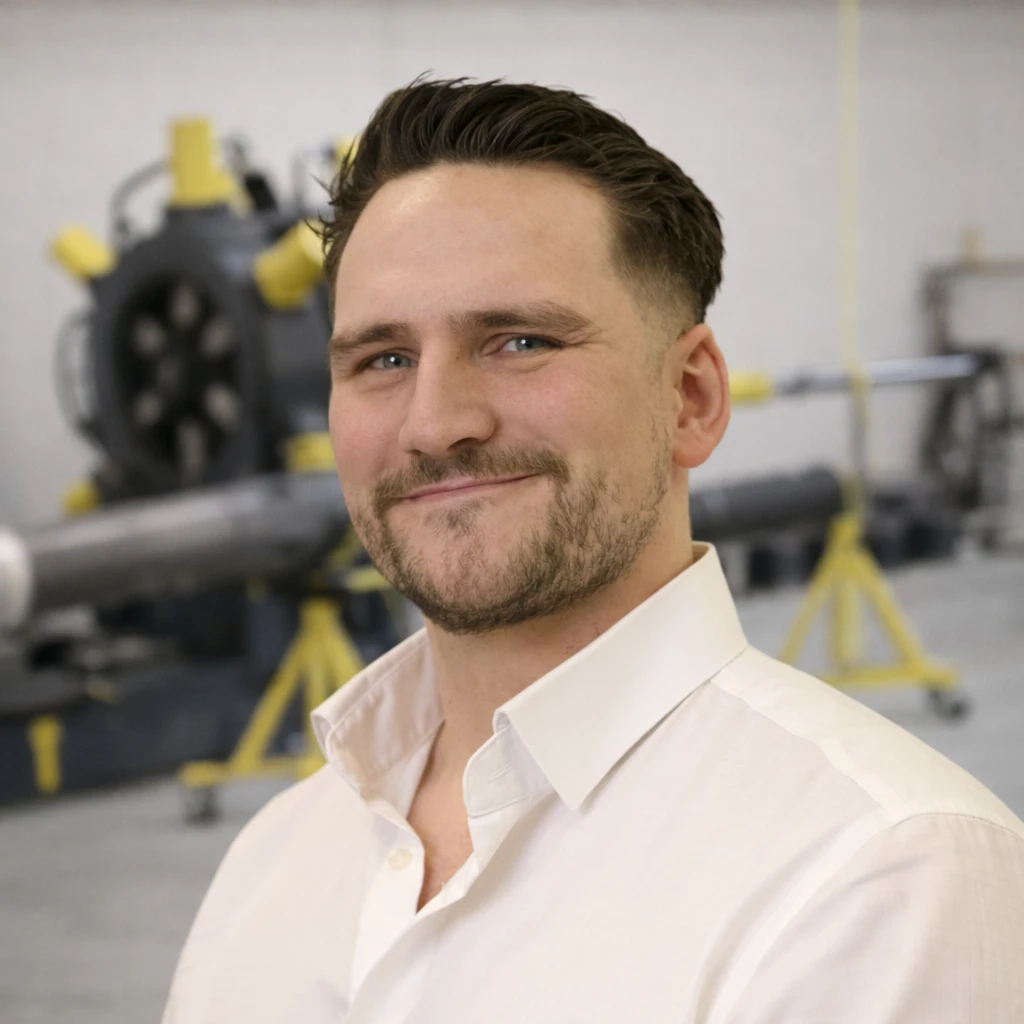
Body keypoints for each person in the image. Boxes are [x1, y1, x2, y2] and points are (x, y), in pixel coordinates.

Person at [162, 78, 1024, 1023]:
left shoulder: (882, 878)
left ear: (690, 397)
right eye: (384, 360)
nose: (434, 424)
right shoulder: (276, 859)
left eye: (519, 342)